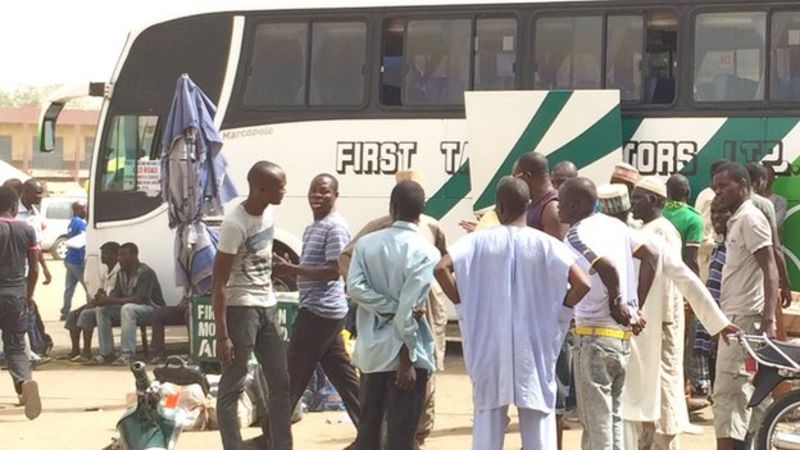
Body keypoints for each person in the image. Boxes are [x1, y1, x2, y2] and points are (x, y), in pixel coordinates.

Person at [434, 177, 591, 450]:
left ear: (499, 207)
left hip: (489, 345)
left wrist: (463, 303)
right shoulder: (547, 244)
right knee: (538, 417)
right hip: (535, 345)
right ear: (528, 206)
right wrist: (560, 309)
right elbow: (583, 284)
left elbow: (441, 268)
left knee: (488, 416)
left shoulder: (477, 242)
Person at [613, 179, 736, 449]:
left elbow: (680, 279)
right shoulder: (641, 230)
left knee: (663, 388)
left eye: (638, 198)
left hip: (659, 323)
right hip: (643, 324)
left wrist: (669, 321)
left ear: (655, 201)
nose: (633, 204)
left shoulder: (663, 232)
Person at [338, 170, 448, 449]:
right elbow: (410, 312)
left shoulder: (366, 244)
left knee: (369, 431)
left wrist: (387, 307)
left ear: (392, 208)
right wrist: (407, 360)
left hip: (373, 354)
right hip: (405, 358)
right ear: (422, 211)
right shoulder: (426, 252)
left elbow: (356, 288)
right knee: (401, 436)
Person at [557, 177, 657, 450]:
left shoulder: (575, 235)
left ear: (576, 205)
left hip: (593, 338)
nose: (557, 209)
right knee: (612, 419)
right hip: (620, 340)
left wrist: (617, 301)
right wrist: (637, 308)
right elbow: (650, 257)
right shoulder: (617, 226)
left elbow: (608, 268)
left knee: (596, 425)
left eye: (562, 203)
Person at [212, 161, 292, 450]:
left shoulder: (268, 212)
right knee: (232, 384)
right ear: (260, 189)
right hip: (241, 309)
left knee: (281, 382)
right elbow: (218, 282)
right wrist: (222, 335)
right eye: (279, 186)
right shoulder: (234, 224)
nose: (284, 191)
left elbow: (261, 256)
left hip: (268, 305)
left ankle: (280, 444)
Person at [273, 173, 361, 429]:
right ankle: (373, 435)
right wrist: (296, 266)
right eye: (313, 191)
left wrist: (293, 269)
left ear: (336, 195)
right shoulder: (313, 226)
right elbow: (318, 266)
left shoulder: (335, 227)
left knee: (292, 376)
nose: (317, 196)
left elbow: (335, 271)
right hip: (320, 309)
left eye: (324, 192)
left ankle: (270, 437)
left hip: (320, 311)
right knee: (344, 378)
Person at [710, 162, 779, 450]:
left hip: (746, 320)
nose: (718, 193)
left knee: (729, 393)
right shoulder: (738, 219)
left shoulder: (750, 218)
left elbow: (770, 267)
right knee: (740, 396)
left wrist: (768, 321)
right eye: (715, 188)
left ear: (742, 183)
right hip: (735, 317)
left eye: (723, 187)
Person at [0, 186, 41, 420]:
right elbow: (33, 269)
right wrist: (29, 295)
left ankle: (24, 387)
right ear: (15, 207)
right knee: (15, 346)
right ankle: (25, 383)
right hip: (16, 295)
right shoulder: (27, 230)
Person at [94, 242, 165, 365]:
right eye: (119, 256)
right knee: (102, 310)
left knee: (128, 308)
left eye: (123, 255)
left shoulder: (145, 272)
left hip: (152, 309)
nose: (119, 258)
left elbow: (139, 299)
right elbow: (115, 295)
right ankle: (106, 353)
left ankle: (127, 354)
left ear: (134, 256)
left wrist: (111, 300)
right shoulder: (121, 272)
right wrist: (103, 299)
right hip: (131, 309)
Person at [63, 241, 120, 362]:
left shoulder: (119, 271)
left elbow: (113, 295)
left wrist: (89, 307)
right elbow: (99, 293)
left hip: (112, 305)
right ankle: (75, 350)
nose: (103, 257)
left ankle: (87, 351)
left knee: (86, 314)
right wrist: (86, 305)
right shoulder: (105, 271)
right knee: (74, 314)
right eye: (102, 253)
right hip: (103, 303)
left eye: (106, 254)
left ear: (116, 255)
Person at [16, 179, 53, 361]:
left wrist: (44, 268)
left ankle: (34, 348)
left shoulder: (35, 214)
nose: (40, 197)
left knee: (29, 306)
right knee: (24, 309)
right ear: (25, 192)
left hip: (30, 270)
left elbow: (36, 247)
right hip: (14, 271)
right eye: (37, 193)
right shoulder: (14, 214)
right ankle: (29, 350)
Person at [512, 152, 569, 239]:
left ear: (528, 176)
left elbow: (557, 249)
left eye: (516, 178)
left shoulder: (552, 208)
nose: (515, 183)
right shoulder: (536, 203)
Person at [694, 160, 727, 282]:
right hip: (707, 252)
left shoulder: (705, 193)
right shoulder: (711, 198)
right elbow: (705, 230)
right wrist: (716, 247)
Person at [663, 174, 703, 275]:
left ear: (667, 192)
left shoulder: (655, 212)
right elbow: (691, 260)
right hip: (678, 277)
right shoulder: (693, 219)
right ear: (688, 192)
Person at [61, 201, 88, 321]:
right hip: (77, 260)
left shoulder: (72, 221)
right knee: (88, 286)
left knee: (69, 288)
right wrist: (84, 261)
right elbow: (82, 242)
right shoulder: (80, 223)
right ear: (78, 210)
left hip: (69, 259)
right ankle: (90, 310)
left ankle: (65, 312)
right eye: (84, 209)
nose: (86, 211)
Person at [148, 298, 189, 365]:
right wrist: (183, 301)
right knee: (157, 314)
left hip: (199, 306)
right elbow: (187, 295)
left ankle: (195, 353)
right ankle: (157, 354)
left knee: (189, 314)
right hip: (185, 308)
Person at [764, 164, 787, 228]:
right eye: (762, 177)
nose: (765, 180)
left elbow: (775, 225)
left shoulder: (779, 202)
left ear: (773, 178)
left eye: (768, 176)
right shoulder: (749, 199)